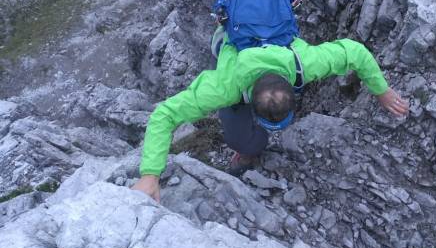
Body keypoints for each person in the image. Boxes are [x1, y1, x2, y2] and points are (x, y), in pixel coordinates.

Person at [132, 33, 409, 201]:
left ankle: (249, 146)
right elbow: (164, 114)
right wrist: (150, 174)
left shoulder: (306, 64)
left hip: (267, 46)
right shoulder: (224, 88)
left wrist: (382, 91)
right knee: (240, 139)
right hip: (231, 45)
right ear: (249, 102)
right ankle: (248, 150)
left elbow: (356, 52)